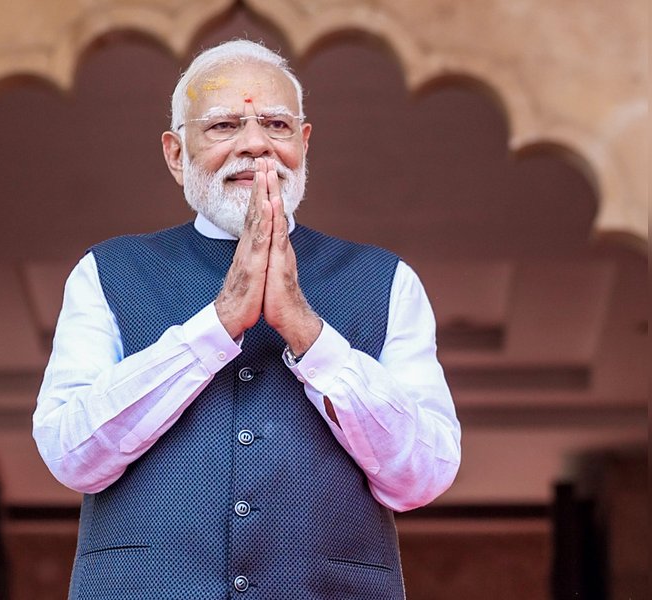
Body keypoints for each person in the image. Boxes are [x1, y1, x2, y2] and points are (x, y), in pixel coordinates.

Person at [33, 39, 461, 600]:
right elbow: (69, 454)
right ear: (176, 154)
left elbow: (424, 475)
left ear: (303, 144)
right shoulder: (107, 272)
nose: (256, 144)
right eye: (223, 126)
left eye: (277, 125)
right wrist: (215, 326)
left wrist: (308, 333)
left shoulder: (386, 280)